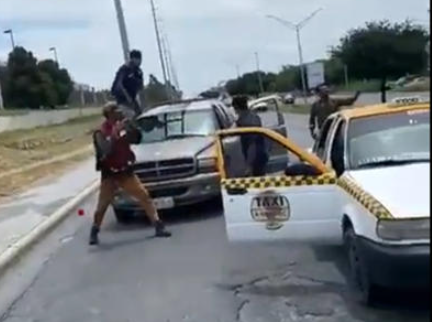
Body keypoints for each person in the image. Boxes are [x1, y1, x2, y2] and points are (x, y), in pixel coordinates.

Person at [90, 103, 171, 245]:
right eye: (117, 111)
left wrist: (131, 127)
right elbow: (105, 151)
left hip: (125, 171)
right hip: (110, 174)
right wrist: (115, 134)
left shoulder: (123, 126)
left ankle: (158, 225)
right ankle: (94, 231)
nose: (121, 113)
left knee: (143, 196)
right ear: (110, 114)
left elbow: (137, 139)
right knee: (102, 205)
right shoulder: (100, 132)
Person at [232, 96, 269, 177]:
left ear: (236, 108)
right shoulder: (255, 117)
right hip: (261, 154)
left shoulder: (244, 122)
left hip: (254, 158)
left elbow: (252, 145)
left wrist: (249, 165)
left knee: (256, 183)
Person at [111, 50, 144, 120]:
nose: (140, 61)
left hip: (133, 100)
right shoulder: (124, 69)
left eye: (141, 59)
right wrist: (127, 96)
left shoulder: (138, 71)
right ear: (133, 59)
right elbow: (119, 85)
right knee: (132, 117)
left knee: (141, 117)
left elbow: (140, 87)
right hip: (123, 101)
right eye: (138, 59)